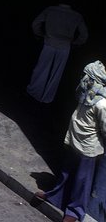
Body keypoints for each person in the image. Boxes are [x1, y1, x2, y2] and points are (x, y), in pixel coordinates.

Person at [34, 60, 106, 222]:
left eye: (87, 77)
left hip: (88, 148)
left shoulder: (102, 104)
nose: (83, 79)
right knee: (67, 173)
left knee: (82, 182)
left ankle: (74, 211)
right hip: (75, 140)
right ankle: (57, 197)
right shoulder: (85, 95)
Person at [27, 4, 88, 103]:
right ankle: (47, 98)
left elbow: (35, 23)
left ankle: (34, 91)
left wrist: (39, 34)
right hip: (64, 46)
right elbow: (84, 35)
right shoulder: (77, 15)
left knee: (41, 69)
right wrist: (75, 43)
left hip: (49, 42)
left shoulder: (51, 9)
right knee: (56, 74)